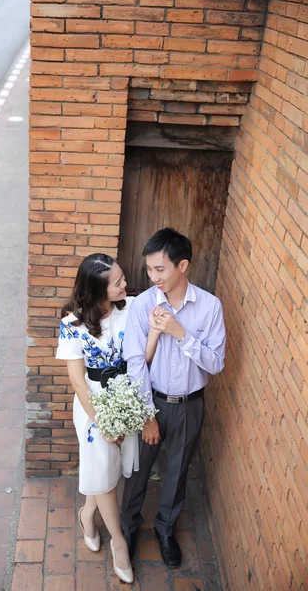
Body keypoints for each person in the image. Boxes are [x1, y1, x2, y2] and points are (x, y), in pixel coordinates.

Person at [121, 228, 226, 569]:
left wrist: (181, 333)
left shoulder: (209, 307)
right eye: (149, 269)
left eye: (160, 269)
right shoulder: (142, 305)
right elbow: (135, 362)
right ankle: (128, 528)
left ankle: (166, 530)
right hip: (152, 402)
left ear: (182, 265)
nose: (153, 277)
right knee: (138, 471)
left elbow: (216, 363)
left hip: (190, 405)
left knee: (177, 472)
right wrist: (148, 415)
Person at [55, 253, 157, 584]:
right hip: (93, 404)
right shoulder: (72, 323)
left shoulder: (132, 307)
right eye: (118, 282)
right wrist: (102, 421)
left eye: (124, 278)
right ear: (98, 288)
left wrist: (157, 331)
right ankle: (119, 542)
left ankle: (87, 514)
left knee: (107, 468)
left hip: (125, 397)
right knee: (107, 477)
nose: (126, 285)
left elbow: (143, 354)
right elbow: (76, 381)